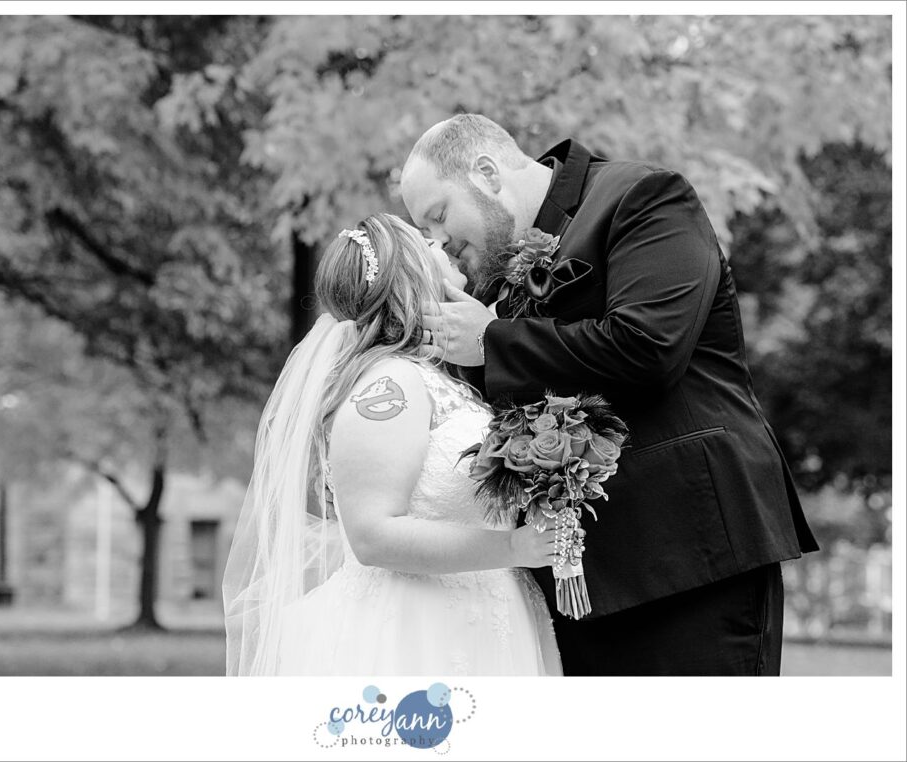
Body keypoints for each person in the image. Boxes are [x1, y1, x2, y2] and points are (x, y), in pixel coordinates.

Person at [400, 113, 819, 676]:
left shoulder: (643, 196)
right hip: (572, 587)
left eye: (439, 215)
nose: (440, 241)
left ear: (486, 172)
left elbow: (650, 347)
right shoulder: (490, 282)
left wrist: (491, 339)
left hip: (691, 560)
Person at [222, 213, 562, 676]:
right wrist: (513, 549)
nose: (442, 243)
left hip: (480, 619)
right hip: (414, 634)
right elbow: (373, 534)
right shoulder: (390, 384)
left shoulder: (436, 377)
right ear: (413, 273)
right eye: (428, 241)